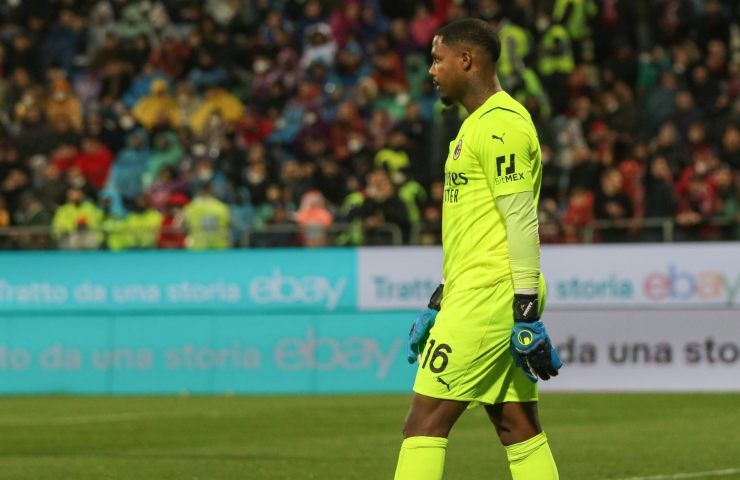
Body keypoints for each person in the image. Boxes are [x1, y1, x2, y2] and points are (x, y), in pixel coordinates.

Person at [394, 19, 562, 480]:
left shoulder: (501, 125)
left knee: (423, 422)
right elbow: (475, 229)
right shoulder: (476, 126)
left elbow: (520, 219)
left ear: (466, 60)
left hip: (491, 293)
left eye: (437, 59)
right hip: (481, 288)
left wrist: (525, 309)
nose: (431, 71)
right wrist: (441, 298)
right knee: (516, 426)